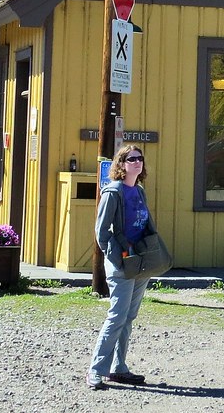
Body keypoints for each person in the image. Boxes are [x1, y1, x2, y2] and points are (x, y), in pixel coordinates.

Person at [86, 144, 153, 391]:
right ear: (121, 164)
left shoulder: (139, 191)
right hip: (122, 263)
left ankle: (118, 368)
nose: (137, 162)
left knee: (128, 317)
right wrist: (119, 255)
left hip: (141, 261)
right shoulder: (112, 192)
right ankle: (96, 370)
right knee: (116, 317)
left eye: (140, 158)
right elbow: (102, 233)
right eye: (131, 158)